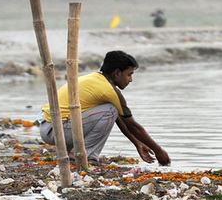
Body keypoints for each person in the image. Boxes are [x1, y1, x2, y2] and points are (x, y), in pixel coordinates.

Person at [36, 50, 170, 166]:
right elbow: (133, 126)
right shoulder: (109, 91)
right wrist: (158, 151)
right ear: (117, 73)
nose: (130, 80)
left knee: (111, 110)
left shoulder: (95, 79)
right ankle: (84, 155)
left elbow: (118, 119)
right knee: (110, 110)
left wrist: (137, 143)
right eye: (129, 75)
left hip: (48, 127)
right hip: (56, 131)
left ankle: (80, 153)